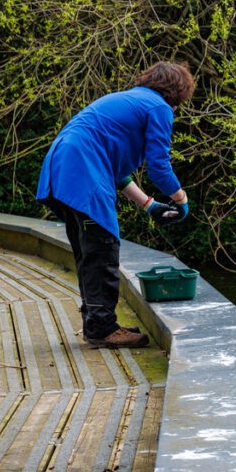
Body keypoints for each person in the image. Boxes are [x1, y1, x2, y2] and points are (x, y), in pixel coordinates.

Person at [36, 61, 195, 349]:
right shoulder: (158, 107)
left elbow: (118, 171)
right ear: (178, 92)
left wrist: (148, 205)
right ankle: (102, 329)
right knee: (103, 246)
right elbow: (159, 167)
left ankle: (97, 322)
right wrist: (180, 198)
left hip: (63, 166)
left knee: (89, 250)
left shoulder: (129, 100)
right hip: (83, 169)